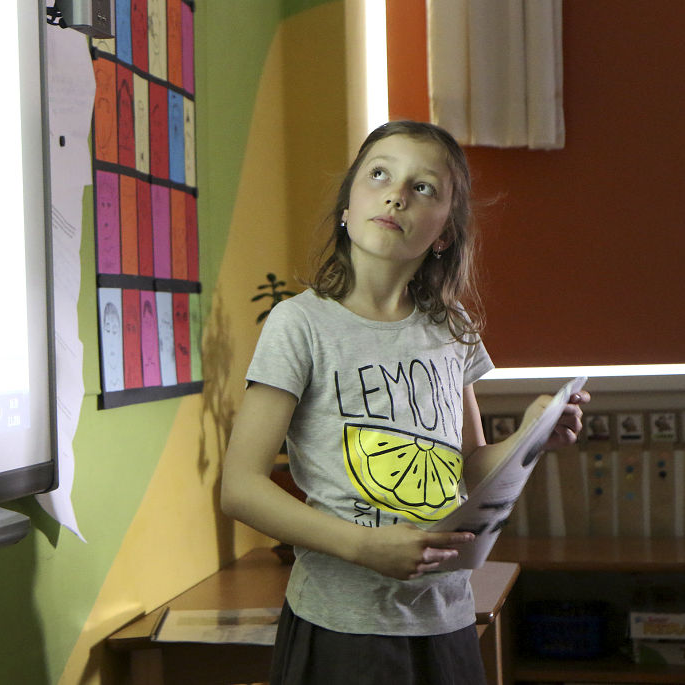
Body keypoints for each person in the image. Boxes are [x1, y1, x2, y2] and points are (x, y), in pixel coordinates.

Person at [220, 120, 590, 684]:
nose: (396, 195)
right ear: (347, 207)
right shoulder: (300, 324)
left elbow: (468, 465)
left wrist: (530, 434)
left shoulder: (452, 326)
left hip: (446, 617)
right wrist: (363, 547)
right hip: (342, 626)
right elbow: (240, 487)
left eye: (423, 187)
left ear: (444, 233)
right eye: (379, 174)